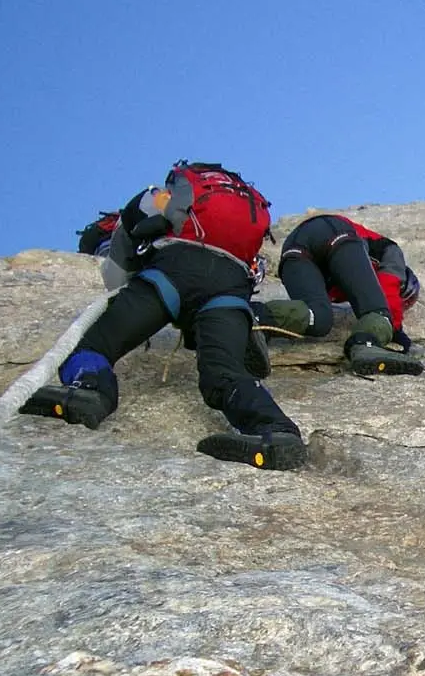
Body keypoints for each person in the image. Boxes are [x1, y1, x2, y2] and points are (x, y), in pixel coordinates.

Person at [21, 161, 307, 471]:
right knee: (226, 374)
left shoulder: (159, 198)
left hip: (173, 269)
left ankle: (91, 390)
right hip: (230, 282)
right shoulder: (245, 207)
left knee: (95, 344)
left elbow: (117, 275)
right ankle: (277, 432)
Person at [264, 214, 423, 375]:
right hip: (336, 232)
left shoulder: (347, 282)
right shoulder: (391, 252)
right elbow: (388, 286)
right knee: (378, 313)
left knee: (318, 317)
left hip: (293, 246)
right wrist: (394, 327)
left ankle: (256, 317)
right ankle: (366, 345)